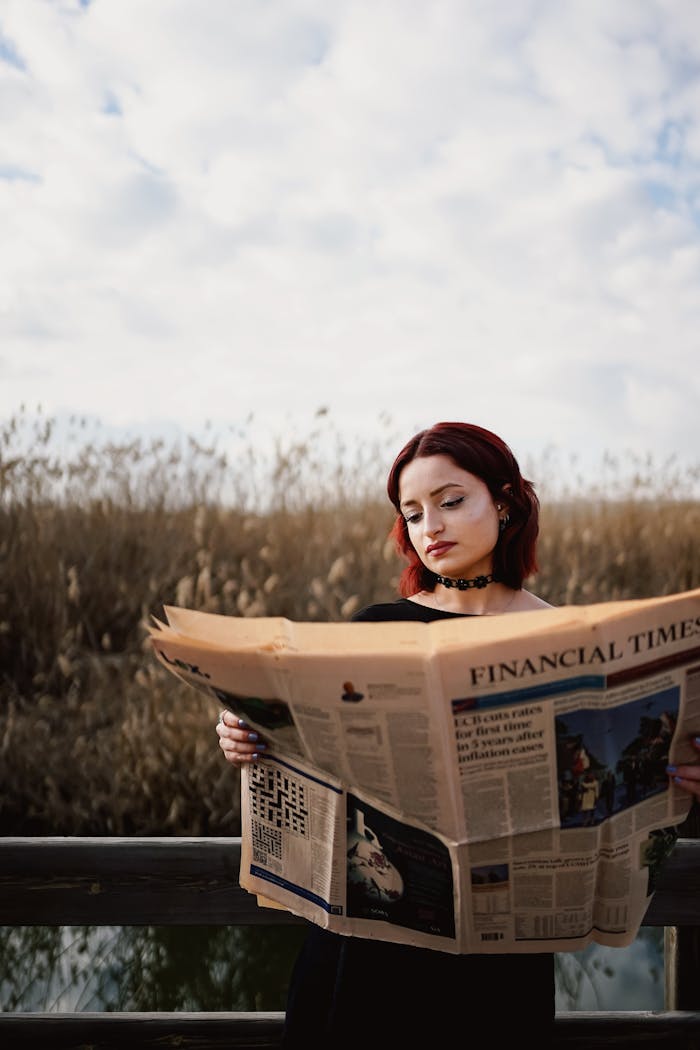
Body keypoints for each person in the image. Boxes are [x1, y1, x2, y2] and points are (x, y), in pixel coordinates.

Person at [216, 420, 700, 1047]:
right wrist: (246, 734)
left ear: (503, 502)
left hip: (497, 962)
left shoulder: (572, 642)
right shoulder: (376, 627)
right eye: (412, 514)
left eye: (451, 501)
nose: (431, 527)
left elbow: (622, 771)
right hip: (367, 951)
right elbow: (313, 751)